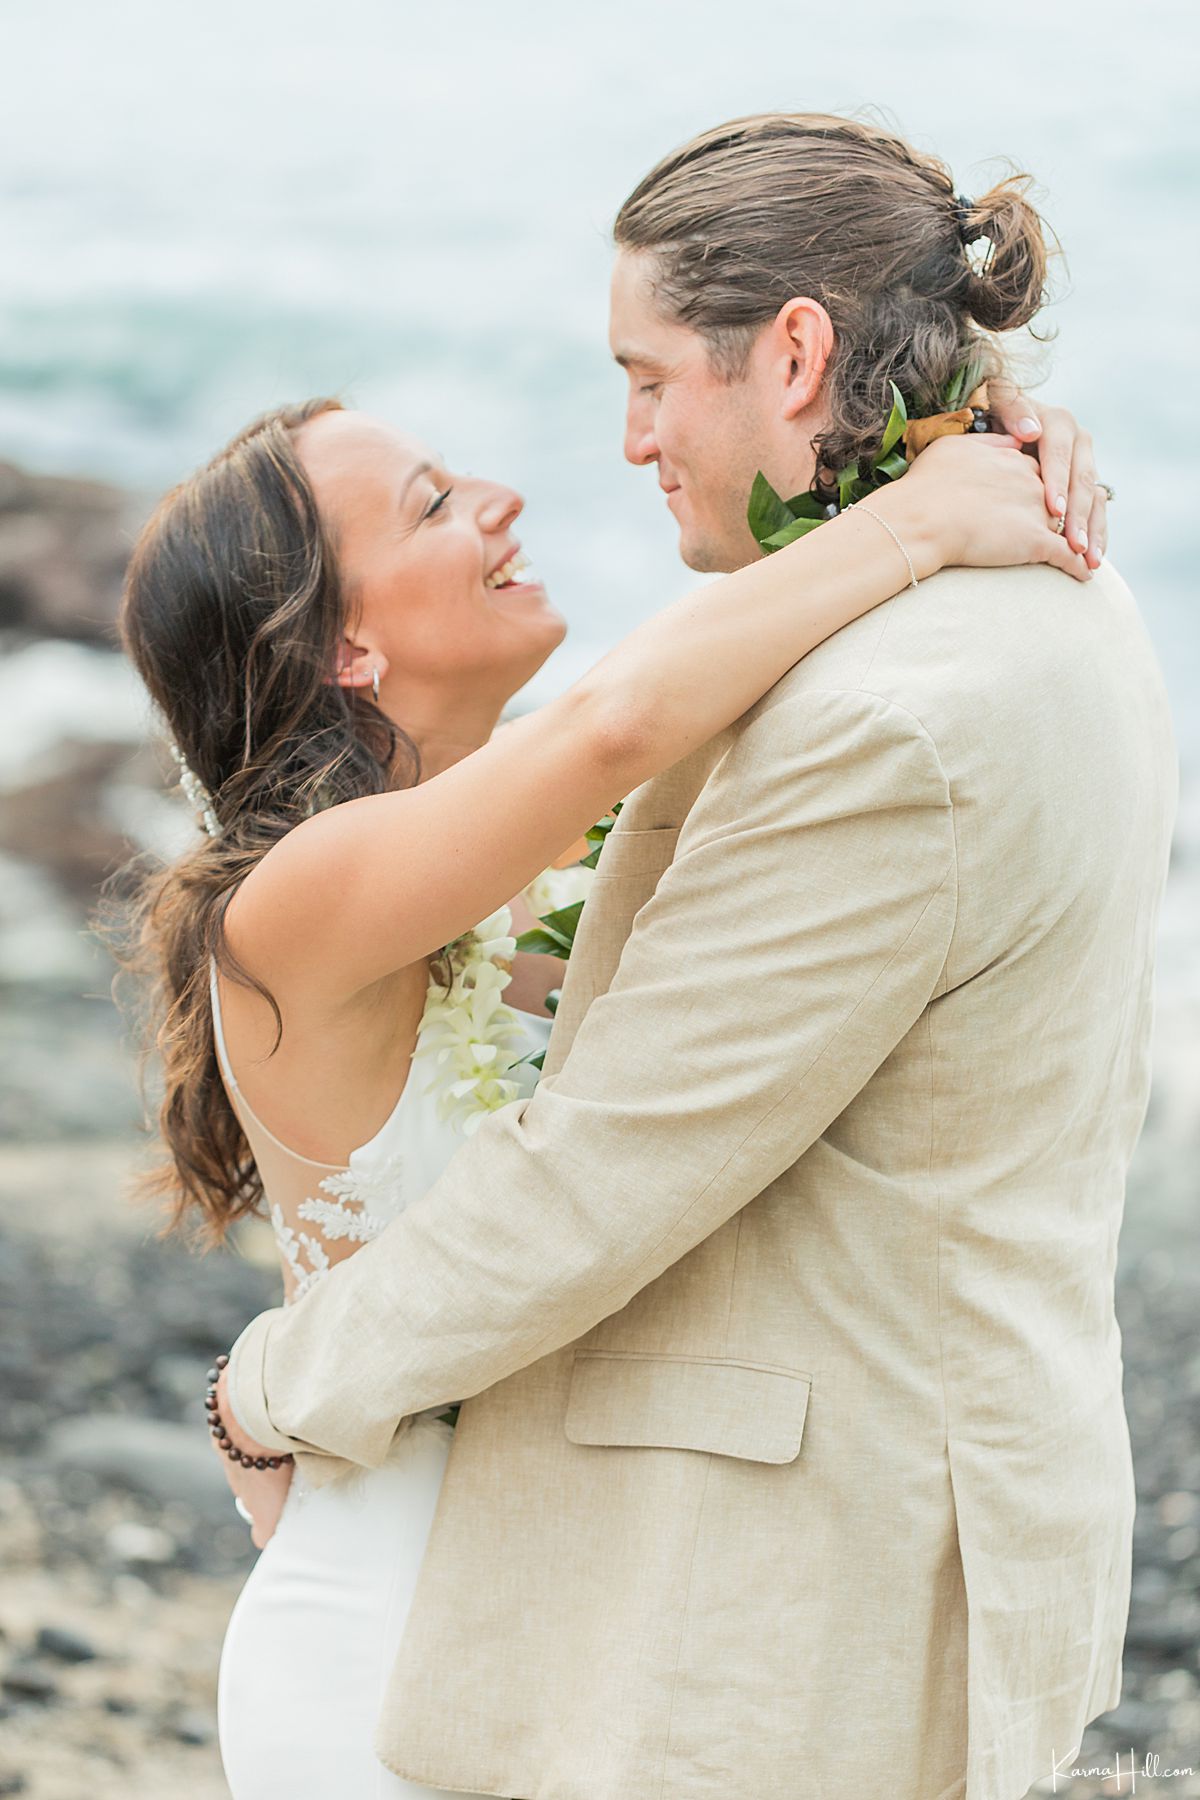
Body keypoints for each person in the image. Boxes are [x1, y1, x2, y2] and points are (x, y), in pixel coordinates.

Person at [123, 114, 1172, 1800]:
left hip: (568, 1584)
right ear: (350, 641)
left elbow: (671, 728)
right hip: (397, 1586)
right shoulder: (299, 904)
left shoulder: (531, 829)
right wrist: (909, 520)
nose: (531, 481)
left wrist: (989, 439)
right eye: (437, 502)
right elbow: (629, 723)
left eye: (644, 379)